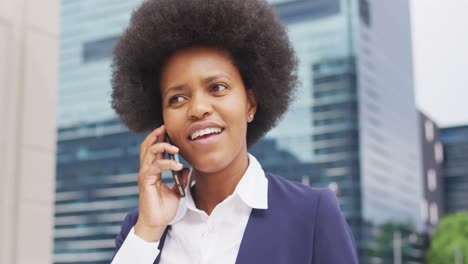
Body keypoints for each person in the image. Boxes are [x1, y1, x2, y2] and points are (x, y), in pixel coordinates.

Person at [110, 0, 358, 263]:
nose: (198, 109)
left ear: (250, 103)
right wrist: (148, 231)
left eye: (217, 87)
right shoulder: (141, 228)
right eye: (177, 99)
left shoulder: (312, 213)